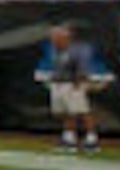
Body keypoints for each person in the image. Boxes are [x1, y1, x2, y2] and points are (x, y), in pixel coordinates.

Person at [36, 26, 108, 154]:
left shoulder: (79, 49)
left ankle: (91, 140)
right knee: (65, 112)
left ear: (65, 37)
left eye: (56, 37)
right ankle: (69, 139)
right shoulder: (54, 50)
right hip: (59, 83)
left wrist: (79, 82)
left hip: (73, 83)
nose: (53, 40)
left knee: (82, 111)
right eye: (52, 37)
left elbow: (83, 66)